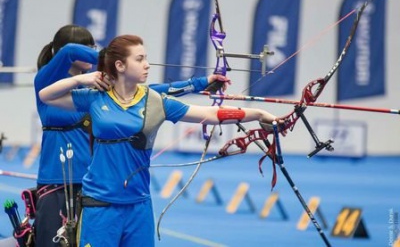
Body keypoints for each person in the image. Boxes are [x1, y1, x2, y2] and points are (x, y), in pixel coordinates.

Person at [38, 34, 284, 247]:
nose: (147, 64)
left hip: (138, 206)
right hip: (99, 205)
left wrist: (258, 114)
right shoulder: (95, 97)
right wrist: (80, 79)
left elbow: (209, 114)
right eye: (140, 59)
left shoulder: (155, 100)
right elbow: (46, 95)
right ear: (120, 66)